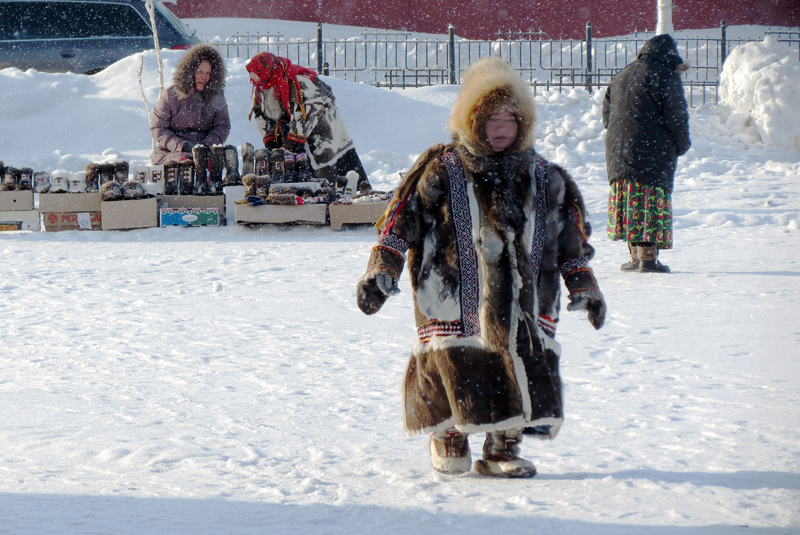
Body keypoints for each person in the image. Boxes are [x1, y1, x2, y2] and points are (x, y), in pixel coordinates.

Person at [356, 58, 606, 478]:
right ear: (472, 120)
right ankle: (449, 431)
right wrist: (382, 270)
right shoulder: (442, 168)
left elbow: (571, 241)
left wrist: (584, 284)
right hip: (452, 294)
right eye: (491, 116)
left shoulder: (545, 177)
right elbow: (401, 222)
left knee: (518, 361)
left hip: (526, 299)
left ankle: (502, 446)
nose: (502, 125)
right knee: (458, 362)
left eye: (511, 116)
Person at [603, 34, 691, 273]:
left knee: (630, 201)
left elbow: (606, 116)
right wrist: (681, 144)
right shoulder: (666, 76)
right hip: (652, 151)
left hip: (619, 151)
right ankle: (648, 258)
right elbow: (676, 116)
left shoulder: (621, 75)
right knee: (649, 200)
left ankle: (635, 257)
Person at [245, 52, 370, 188]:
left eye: (255, 72)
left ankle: (348, 199)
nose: (252, 77)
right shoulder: (262, 86)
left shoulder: (300, 82)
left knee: (333, 175)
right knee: (299, 176)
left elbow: (308, 112)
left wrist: (292, 143)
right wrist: (271, 142)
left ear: (267, 69)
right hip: (290, 135)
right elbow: (260, 114)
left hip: (321, 133)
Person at [150, 43, 231, 165]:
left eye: (208, 73)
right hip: (171, 151)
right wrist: (182, 146)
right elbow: (158, 128)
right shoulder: (171, 95)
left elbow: (222, 126)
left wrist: (205, 145)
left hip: (206, 151)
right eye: (199, 71)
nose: (203, 77)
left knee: (226, 157)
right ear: (190, 71)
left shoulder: (216, 97)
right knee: (184, 165)